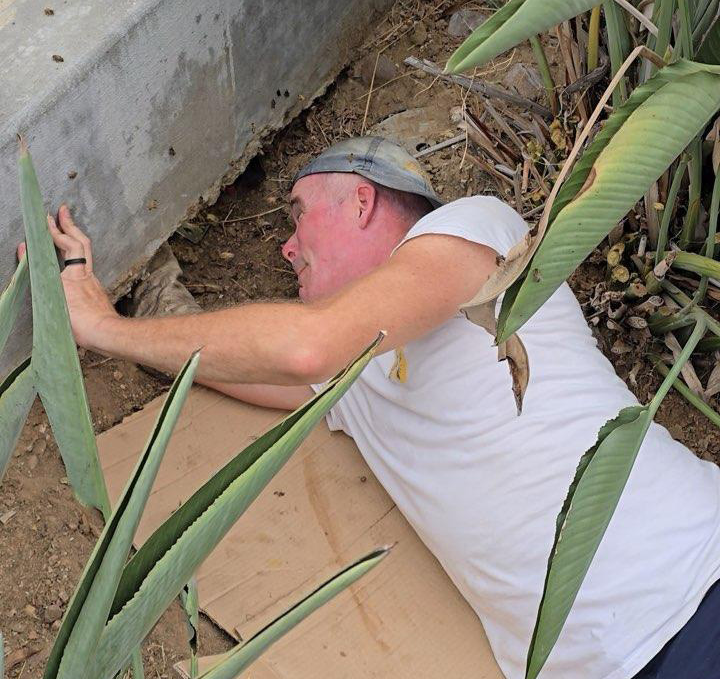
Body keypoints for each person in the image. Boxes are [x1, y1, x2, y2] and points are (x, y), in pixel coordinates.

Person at [25, 137, 720, 679]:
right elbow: (251, 363)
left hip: (693, 583)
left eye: (298, 217)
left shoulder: (472, 233)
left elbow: (304, 349)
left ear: (360, 201)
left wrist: (100, 329)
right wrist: (126, 315)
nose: (285, 246)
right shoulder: (355, 375)